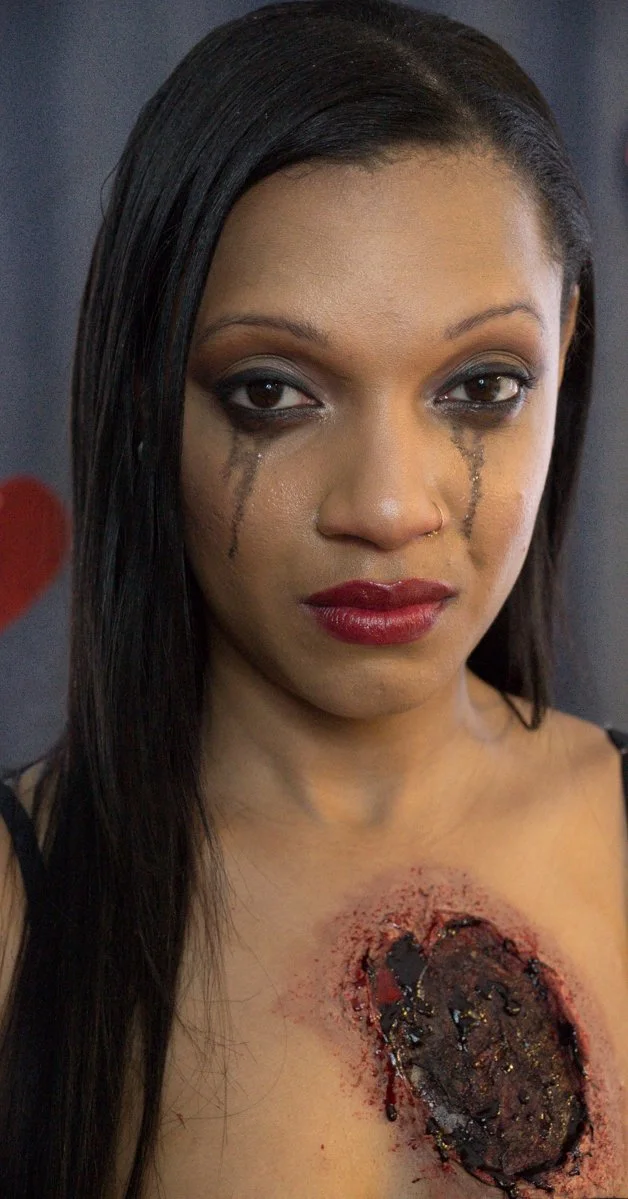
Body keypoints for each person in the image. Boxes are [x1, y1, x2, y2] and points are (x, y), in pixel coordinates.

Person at [0, 1, 626, 1195]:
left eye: (482, 385)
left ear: (568, 345)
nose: (385, 507)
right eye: (272, 392)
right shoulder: (27, 911)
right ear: (145, 387)